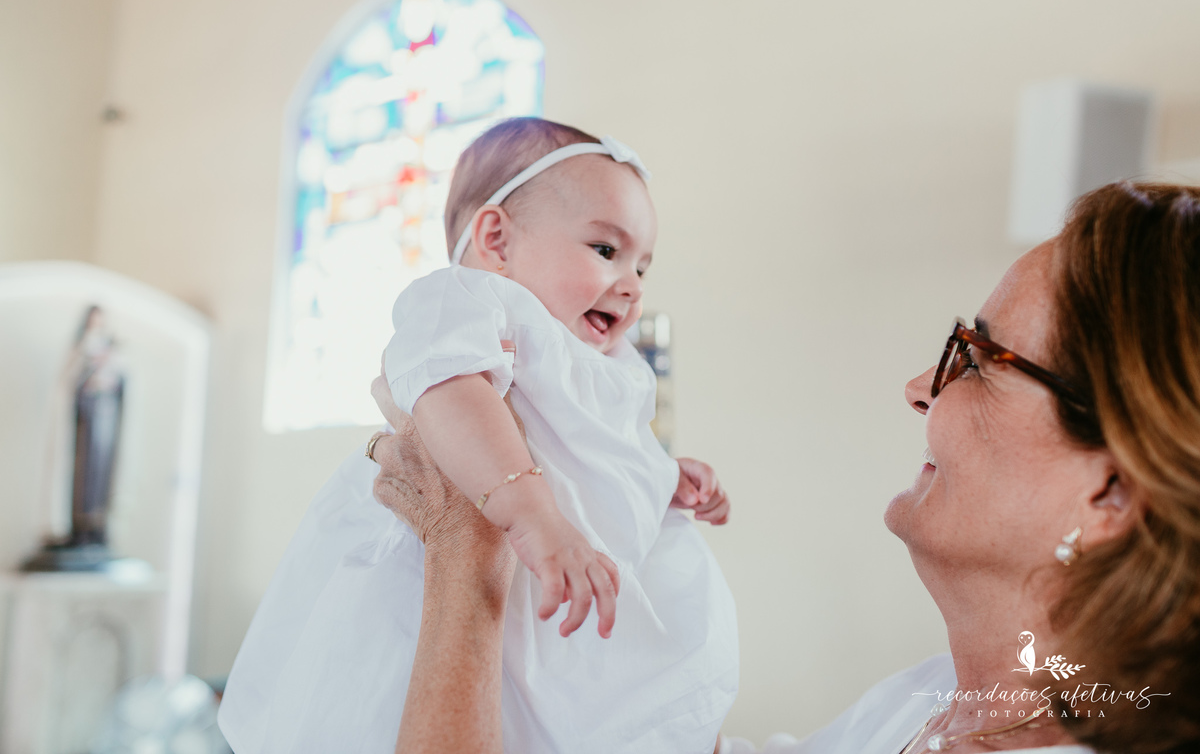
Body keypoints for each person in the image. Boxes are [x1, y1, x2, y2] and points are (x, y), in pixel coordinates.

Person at [367, 181, 1200, 754]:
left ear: (1113, 490)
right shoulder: (933, 704)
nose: (920, 390)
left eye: (976, 359)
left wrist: (467, 550)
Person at [218, 119, 738, 754]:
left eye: (642, 266)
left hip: (543, 589)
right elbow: (446, 391)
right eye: (606, 251)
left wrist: (661, 477)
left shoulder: (608, 362)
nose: (630, 285)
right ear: (496, 238)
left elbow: (598, 454)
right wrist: (529, 510)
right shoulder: (469, 300)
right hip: (442, 572)